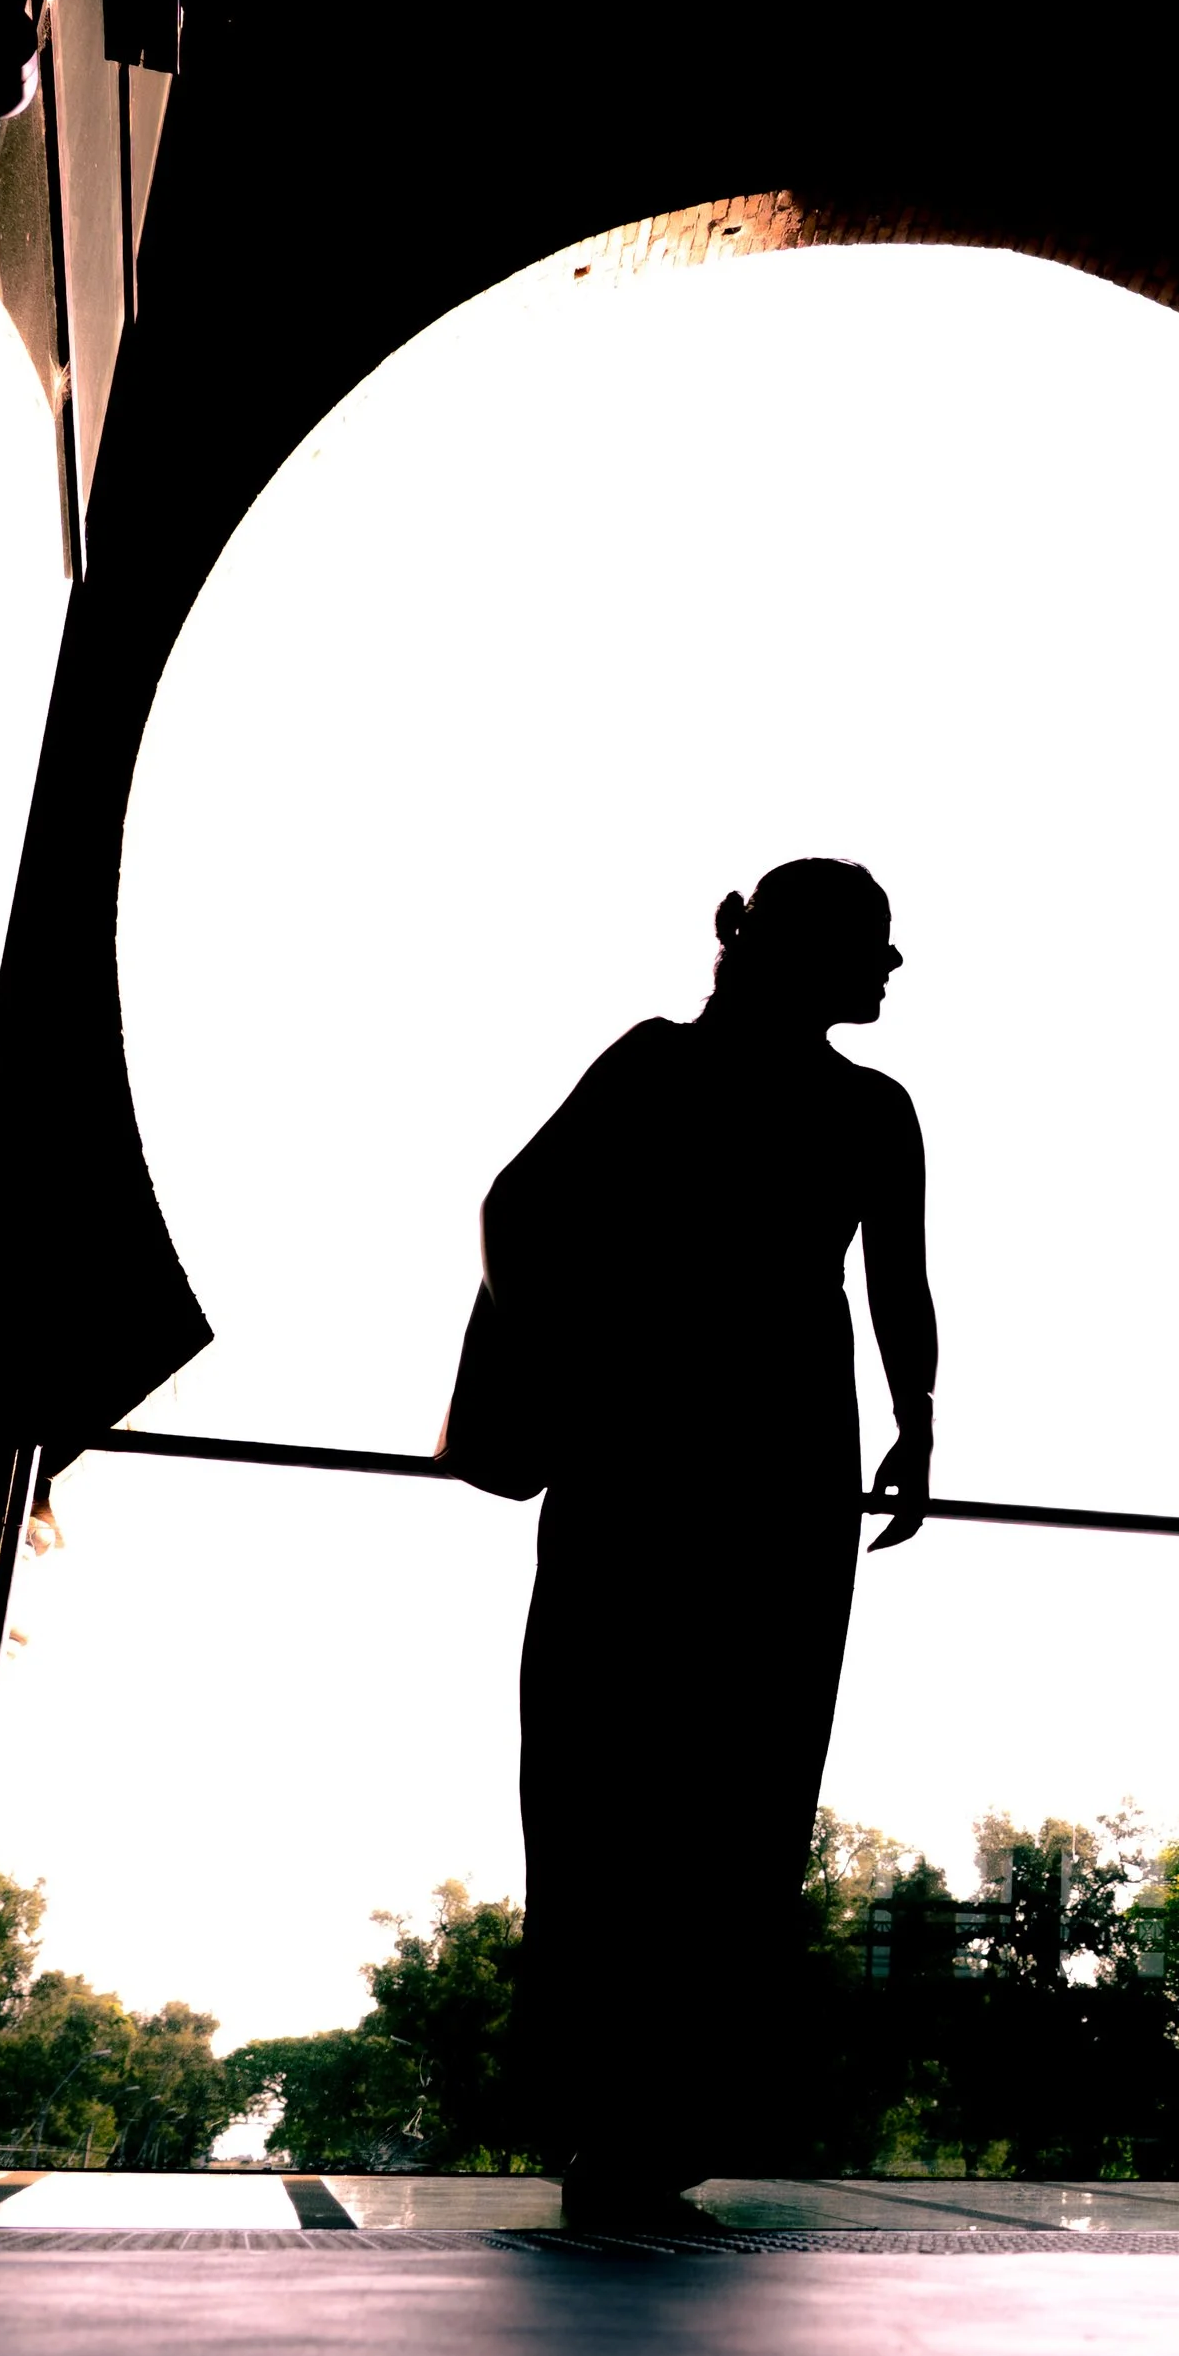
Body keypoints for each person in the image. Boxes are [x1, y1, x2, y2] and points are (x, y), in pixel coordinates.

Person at [458, 858, 936, 2224]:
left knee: (698, 1785)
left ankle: (636, 2121)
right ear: (803, 951)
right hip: (725, 1457)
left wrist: (916, 1411)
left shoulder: (849, 1105)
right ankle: (625, 2120)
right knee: (660, 1780)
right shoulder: (698, 1071)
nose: (895, 968)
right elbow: (518, 1210)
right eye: (875, 945)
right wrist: (916, 1415)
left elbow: (898, 1280)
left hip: (734, 1465)